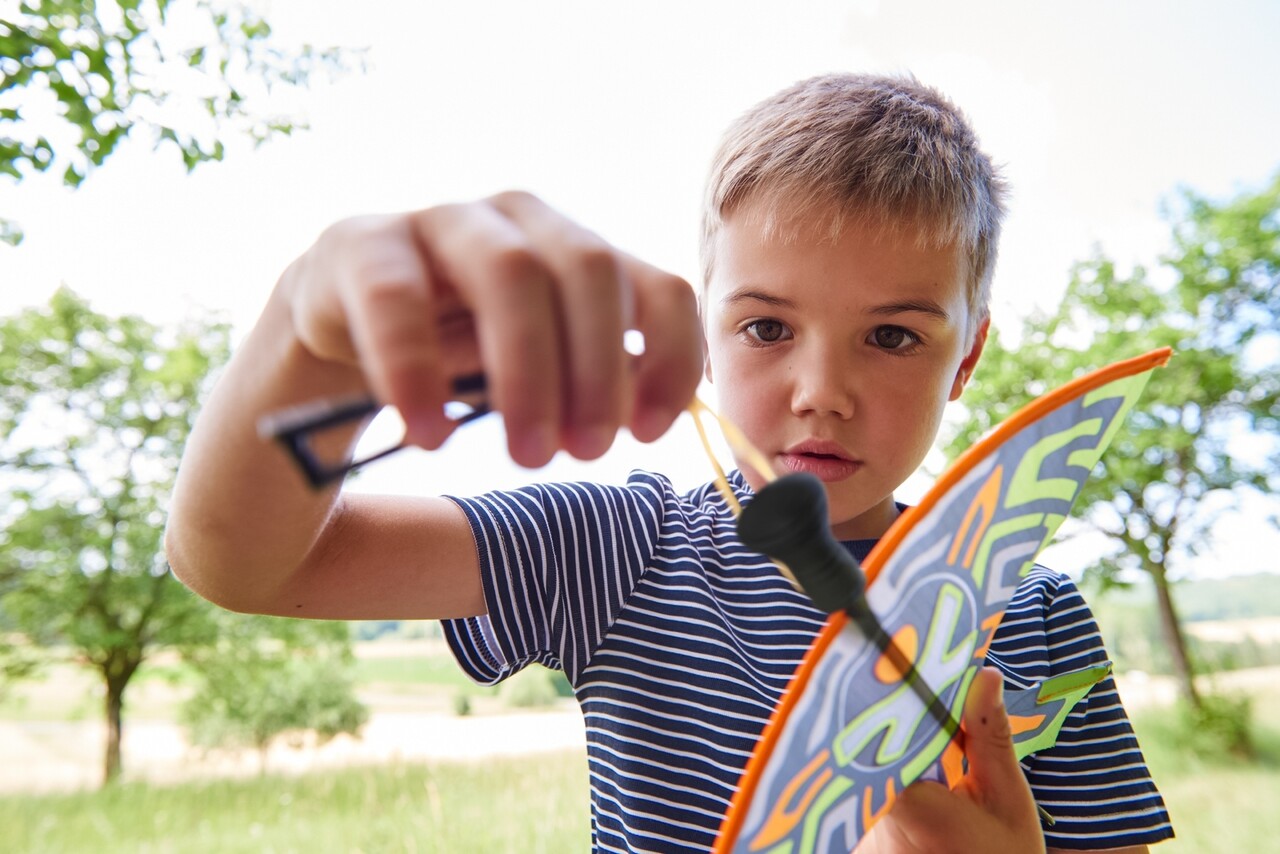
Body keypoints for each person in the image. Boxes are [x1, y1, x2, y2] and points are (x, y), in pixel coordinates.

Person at [166, 73, 1174, 853]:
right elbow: (249, 566)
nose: (819, 391)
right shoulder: (622, 549)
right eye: (767, 325)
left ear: (967, 358)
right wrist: (313, 338)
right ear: (705, 332)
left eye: (893, 336)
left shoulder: (1033, 607)